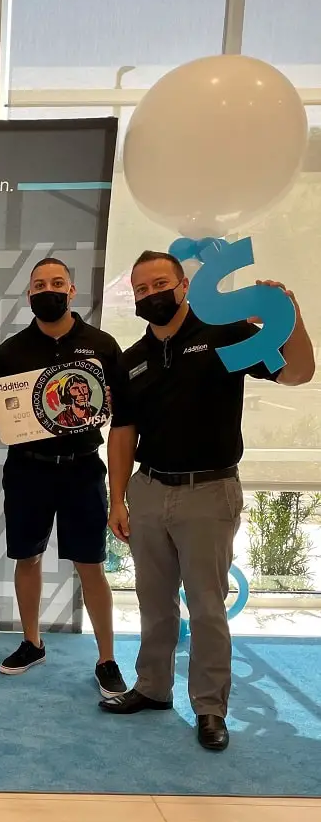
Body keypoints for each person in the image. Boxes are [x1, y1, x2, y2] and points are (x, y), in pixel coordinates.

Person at [103, 250, 315, 751]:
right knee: (154, 603)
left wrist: (291, 315)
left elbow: (298, 373)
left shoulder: (224, 336)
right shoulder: (131, 360)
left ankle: (209, 707)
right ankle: (152, 688)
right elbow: (123, 431)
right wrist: (118, 499)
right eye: (140, 289)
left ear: (184, 286)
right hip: (149, 490)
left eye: (160, 284)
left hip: (209, 492)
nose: (151, 295)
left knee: (206, 607)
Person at [0, 257, 128, 699]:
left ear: (72, 290)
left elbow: (122, 412)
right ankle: (33, 642)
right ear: (29, 294)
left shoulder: (102, 345)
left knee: (91, 565)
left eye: (57, 282)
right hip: (28, 469)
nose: (49, 290)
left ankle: (106, 659)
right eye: (40, 284)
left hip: (83, 469)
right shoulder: (12, 350)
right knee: (27, 558)